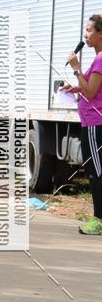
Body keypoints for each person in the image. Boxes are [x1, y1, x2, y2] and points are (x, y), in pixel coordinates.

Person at [61, 14, 102, 235]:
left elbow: (92, 91)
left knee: (96, 172)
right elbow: (90, 89)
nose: (85, 35)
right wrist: (75, 88)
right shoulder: (98, 59)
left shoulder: (100, 59)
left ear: (100, 34)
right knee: (96, 170)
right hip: (92, 122)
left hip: (96, 124)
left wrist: (77, 69)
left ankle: (98, 221)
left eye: (89, 30)